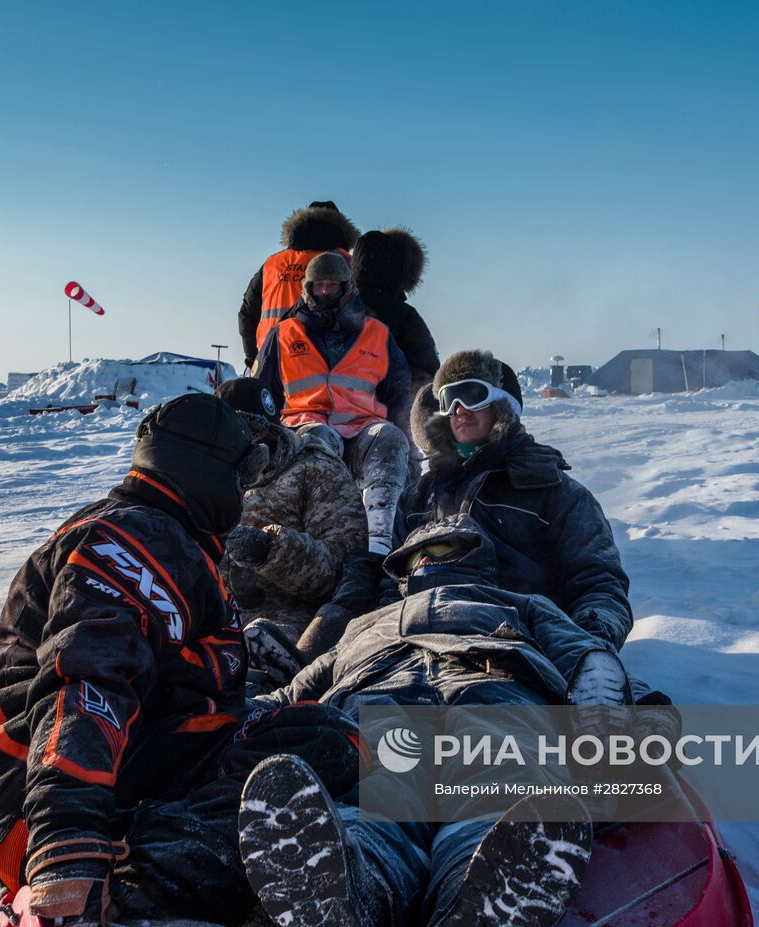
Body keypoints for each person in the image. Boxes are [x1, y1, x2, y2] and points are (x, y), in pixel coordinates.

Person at [0, 393, 365, 925]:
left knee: (323, 739)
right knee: (296, 778)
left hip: (114, 762)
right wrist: (66, 838)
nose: (250, 486)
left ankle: (455, 798)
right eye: (247, 469)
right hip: (40, 803)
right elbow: (86, 676)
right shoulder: (135, 539)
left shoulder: (164, 531)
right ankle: (129, 892)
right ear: (208, 467)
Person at [238, 516, 638, 927]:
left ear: (474, 556)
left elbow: (581, 654)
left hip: (493, 682)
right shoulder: (365, 624)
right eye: (416, 558)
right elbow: (305, 683)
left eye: (442, 550)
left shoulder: (519, 602)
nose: (427, 561)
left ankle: (480, 889)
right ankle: (357, 886)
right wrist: (244, 713)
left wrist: (617, 706)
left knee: (503, 770)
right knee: (380, 789)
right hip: (383, 695)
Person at [400, 350, 633, 697]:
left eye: (473, 395)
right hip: (422, 641)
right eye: (449, 399)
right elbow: (389, 582)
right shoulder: (419, 497)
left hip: (514, 645)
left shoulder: (553, 492)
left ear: (502, 406)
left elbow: (598, 582)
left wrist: (585, 647)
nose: (460, 409)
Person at [214, 376, 367, 691]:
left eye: (248, 430)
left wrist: (269, 550)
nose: (238, 441)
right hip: (214, 613)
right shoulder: (212, 471)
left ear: (269, 430)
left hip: (287, 620)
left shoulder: (316, 469)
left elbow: (345, 572)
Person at [255, 252, 413, 556]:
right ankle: (327, 544)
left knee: (391, 438)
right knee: (318, 441)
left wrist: (411, 447)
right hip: (307, 426)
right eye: (319, 286)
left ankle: (380, 545)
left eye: (333, 285)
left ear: (347, 286)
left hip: (363, 429)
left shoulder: (377, 333)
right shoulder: (285, 334)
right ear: (307, 288)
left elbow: (399, 393)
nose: (326, 292)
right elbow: (264, 395)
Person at [239, 200, 360, 371]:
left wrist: (255, 360)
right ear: (342, 229)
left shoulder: (273, 264)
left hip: (272, 363)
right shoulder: (348, 264)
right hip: (326, 368)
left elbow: (247, 315)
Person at [352, 227, 440, 392]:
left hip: (318, 412)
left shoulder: (326, 308)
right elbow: (427, 379)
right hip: (386, 413)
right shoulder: (405, 317)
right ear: (404, 270)